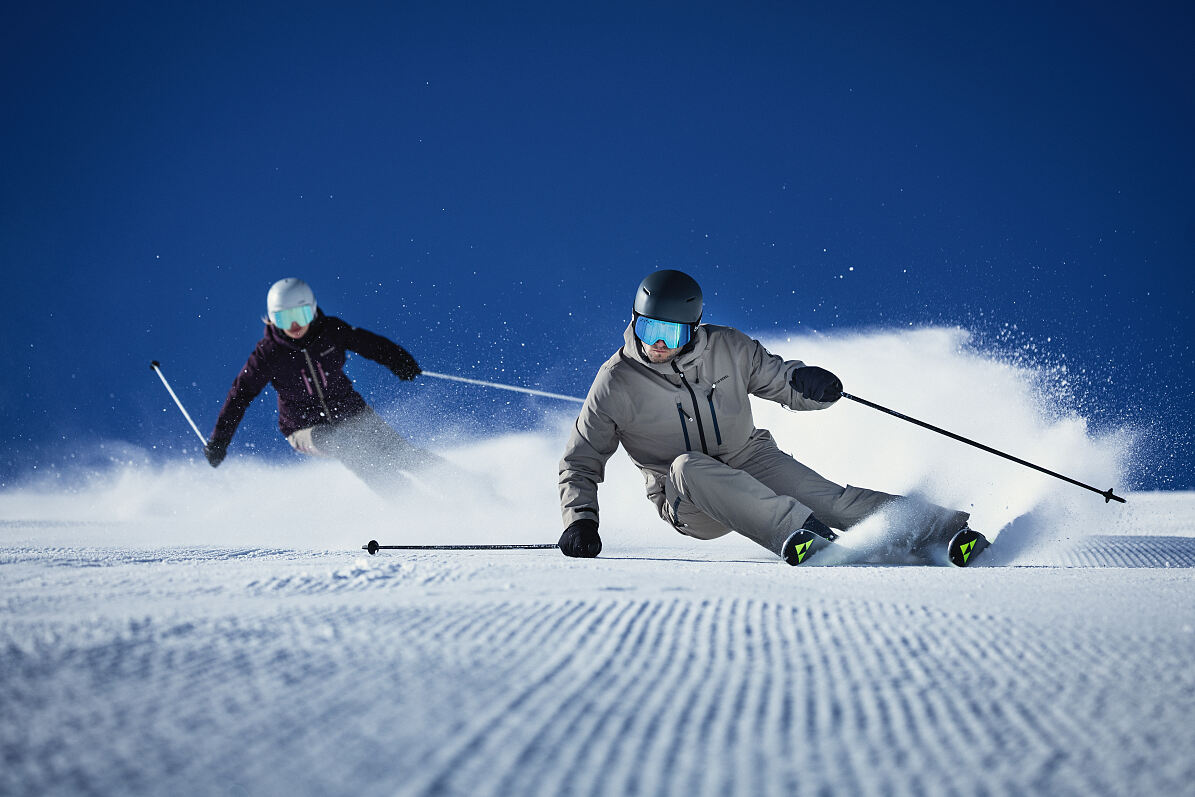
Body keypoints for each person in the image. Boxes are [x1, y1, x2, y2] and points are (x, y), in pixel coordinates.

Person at [557, 269, 989, 567]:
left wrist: (810, 385)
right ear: (635, 320)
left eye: (670, 334)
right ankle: (803, 533)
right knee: (688, 465)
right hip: (688, 497)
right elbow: (580, 460)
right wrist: (581, 521)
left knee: (833, 499)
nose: (658, 345)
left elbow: (781, 379)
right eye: (649, 330)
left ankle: (943, 531)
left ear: (694, 330)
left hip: (751, 457)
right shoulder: (615, 382)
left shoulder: (729, 347)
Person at [204, 277, 445, 496]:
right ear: (273, 319)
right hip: (304, 428)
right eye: (285, 318)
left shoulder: (330, 331)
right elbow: (240, 395)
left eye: (302, 313)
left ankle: (466, 485)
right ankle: (408, 499)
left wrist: (398, 360)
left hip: (351, 412)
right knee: (345, 445)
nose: (295, 324)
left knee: (402, 453)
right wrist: (219, 441)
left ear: (312, 309)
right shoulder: (268, 353)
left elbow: (367, 343)